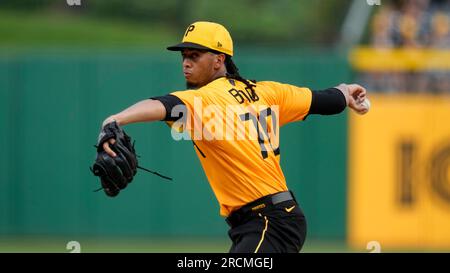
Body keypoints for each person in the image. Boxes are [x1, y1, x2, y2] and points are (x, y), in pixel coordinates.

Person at [99, 21, 369, 253]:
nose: (186, 63)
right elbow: (323, 100)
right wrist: (347, 92)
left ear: (219, 59)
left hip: (268, 221)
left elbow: (162, 105)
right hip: (269, 220)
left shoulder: (207, 99)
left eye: (195, 55)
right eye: (183, 56)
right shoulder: (266, 93)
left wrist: (115, 119)